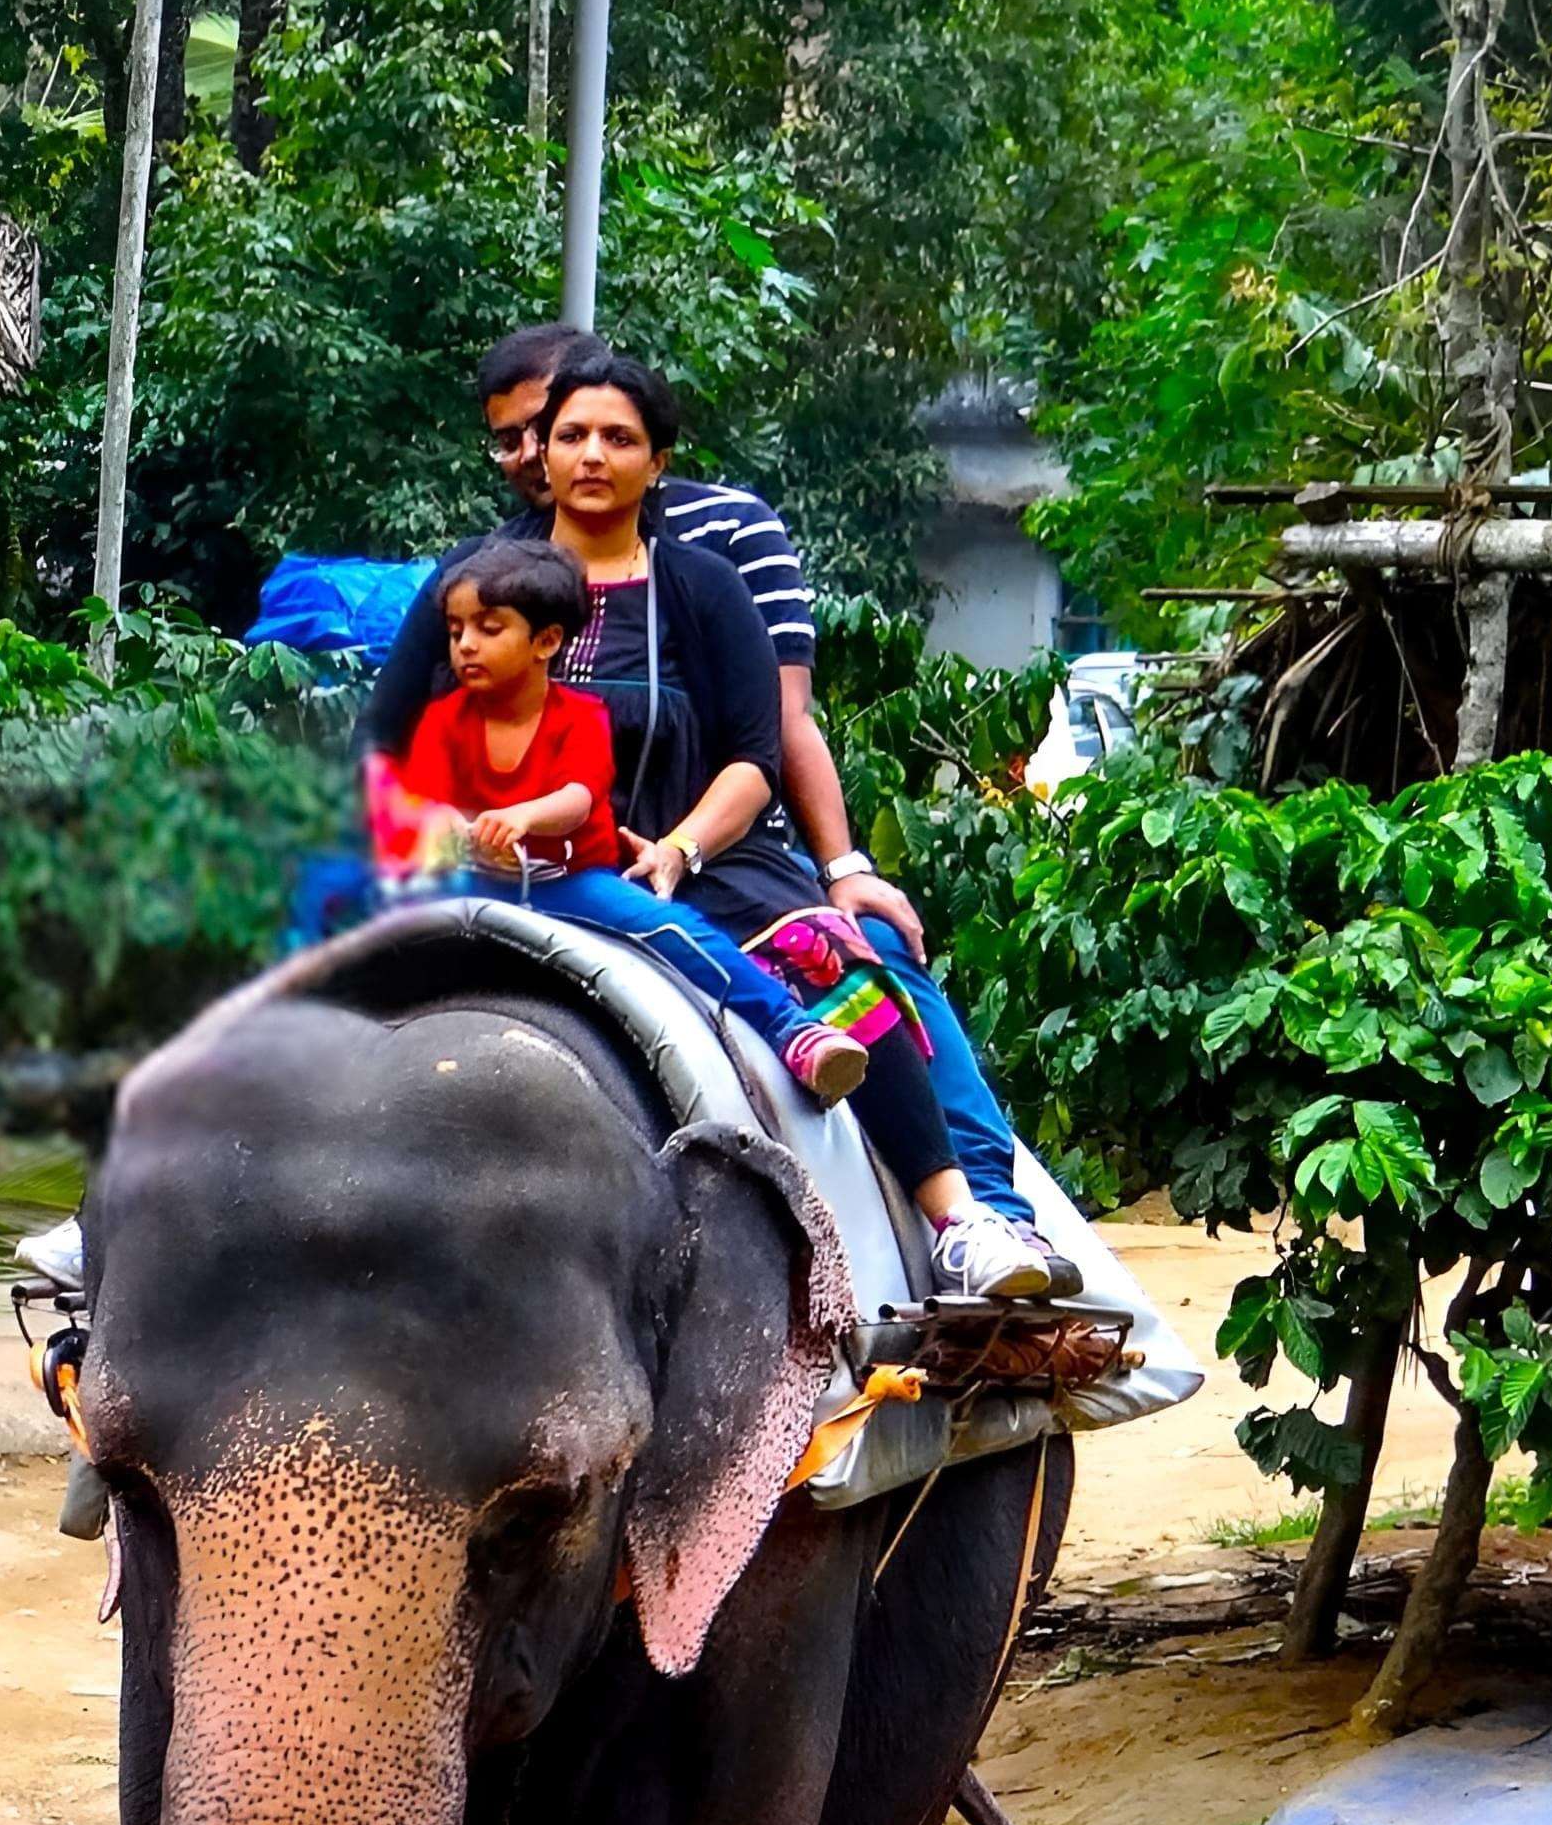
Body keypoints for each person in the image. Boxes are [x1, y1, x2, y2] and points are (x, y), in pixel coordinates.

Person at [377, 349, 1055, 1303]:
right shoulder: (470, 585)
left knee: (845, 971)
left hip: (699, 867)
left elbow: (756, 753)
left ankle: (961, 1219)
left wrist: (684, 844)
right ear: (543, 451)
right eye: (571, 436)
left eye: (620, 438)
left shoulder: (705, 583)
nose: (592, 456)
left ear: (658, 462)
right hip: (493, 870)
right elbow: (388, 742)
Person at [400, 542, 872, 1107]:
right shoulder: (442, 719)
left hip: (565, 881)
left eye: (489, 628)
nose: (466, 646)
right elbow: (421, 799)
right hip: (472, 878)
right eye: (455, 632)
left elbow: (578, 797)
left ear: (546, 642)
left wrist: (523, 817)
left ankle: (790, 1028)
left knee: (672, 930)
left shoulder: (580, 717)